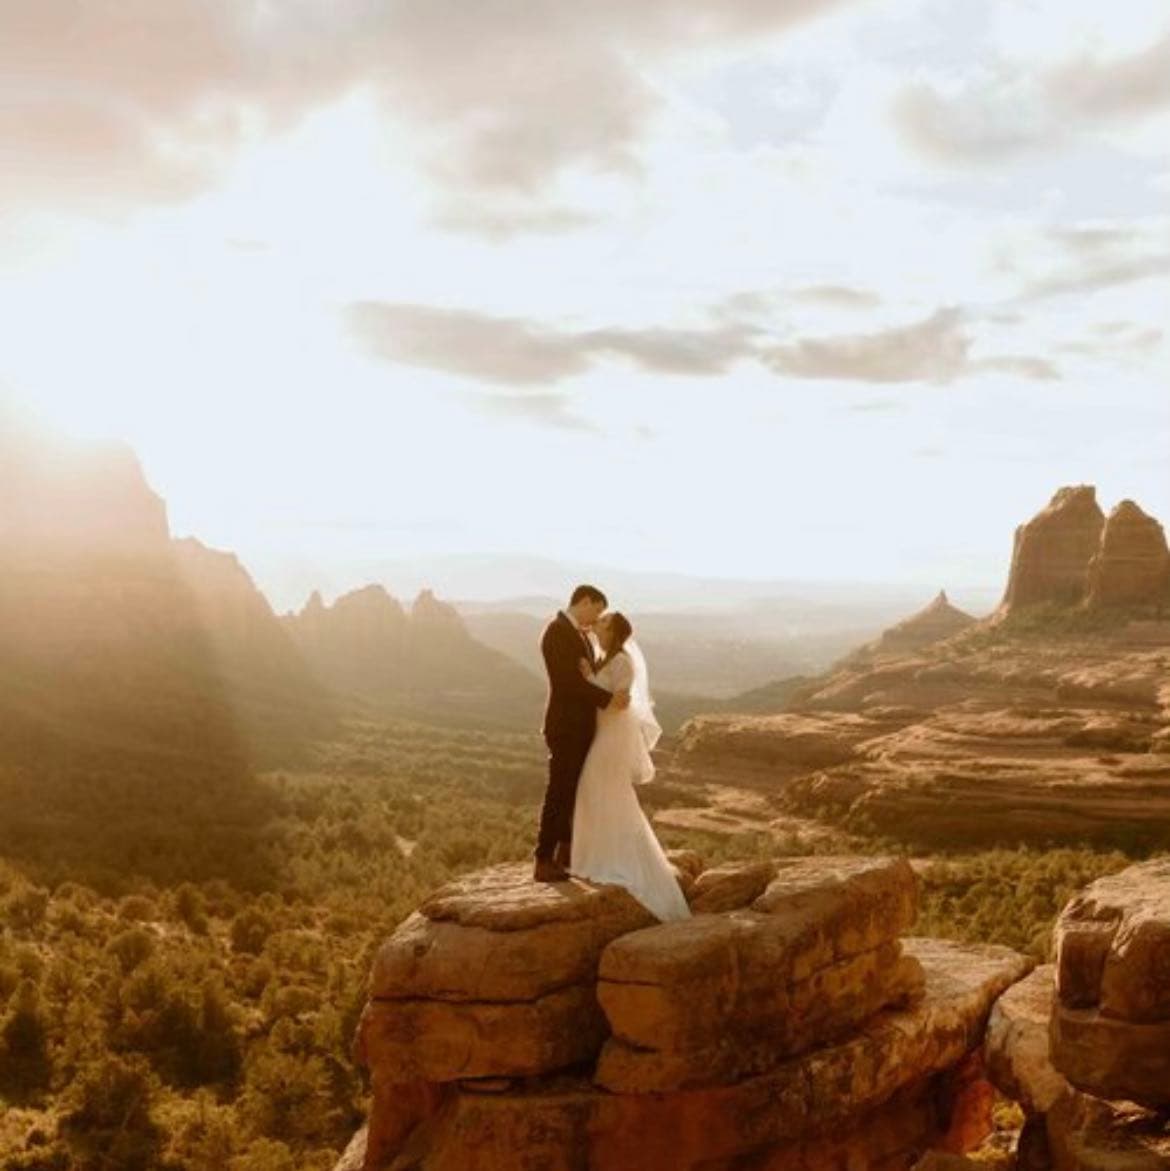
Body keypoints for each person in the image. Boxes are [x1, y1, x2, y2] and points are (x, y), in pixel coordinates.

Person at [569, 612, 691, 922]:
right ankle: (600, 854)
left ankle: (610, 859)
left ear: (614, 631)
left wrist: (586, 680)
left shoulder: (622, 661)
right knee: (600, 792)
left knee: (596, 787)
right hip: (605, 732)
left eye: (603, 623)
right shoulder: (604, 656)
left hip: (612, 735)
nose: (597, 625)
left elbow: (621, 702)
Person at [533, 585, 630, 883]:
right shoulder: (557, 631)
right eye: (597, 611)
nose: (597, 618)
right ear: (584, 602)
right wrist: (607, 700)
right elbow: (565, 684)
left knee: (573, 791)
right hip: (565, 726)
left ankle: (566, 854)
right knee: (559, 790)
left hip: (582, 727)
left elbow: (585, 679)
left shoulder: (579, 635)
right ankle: (543, 858)